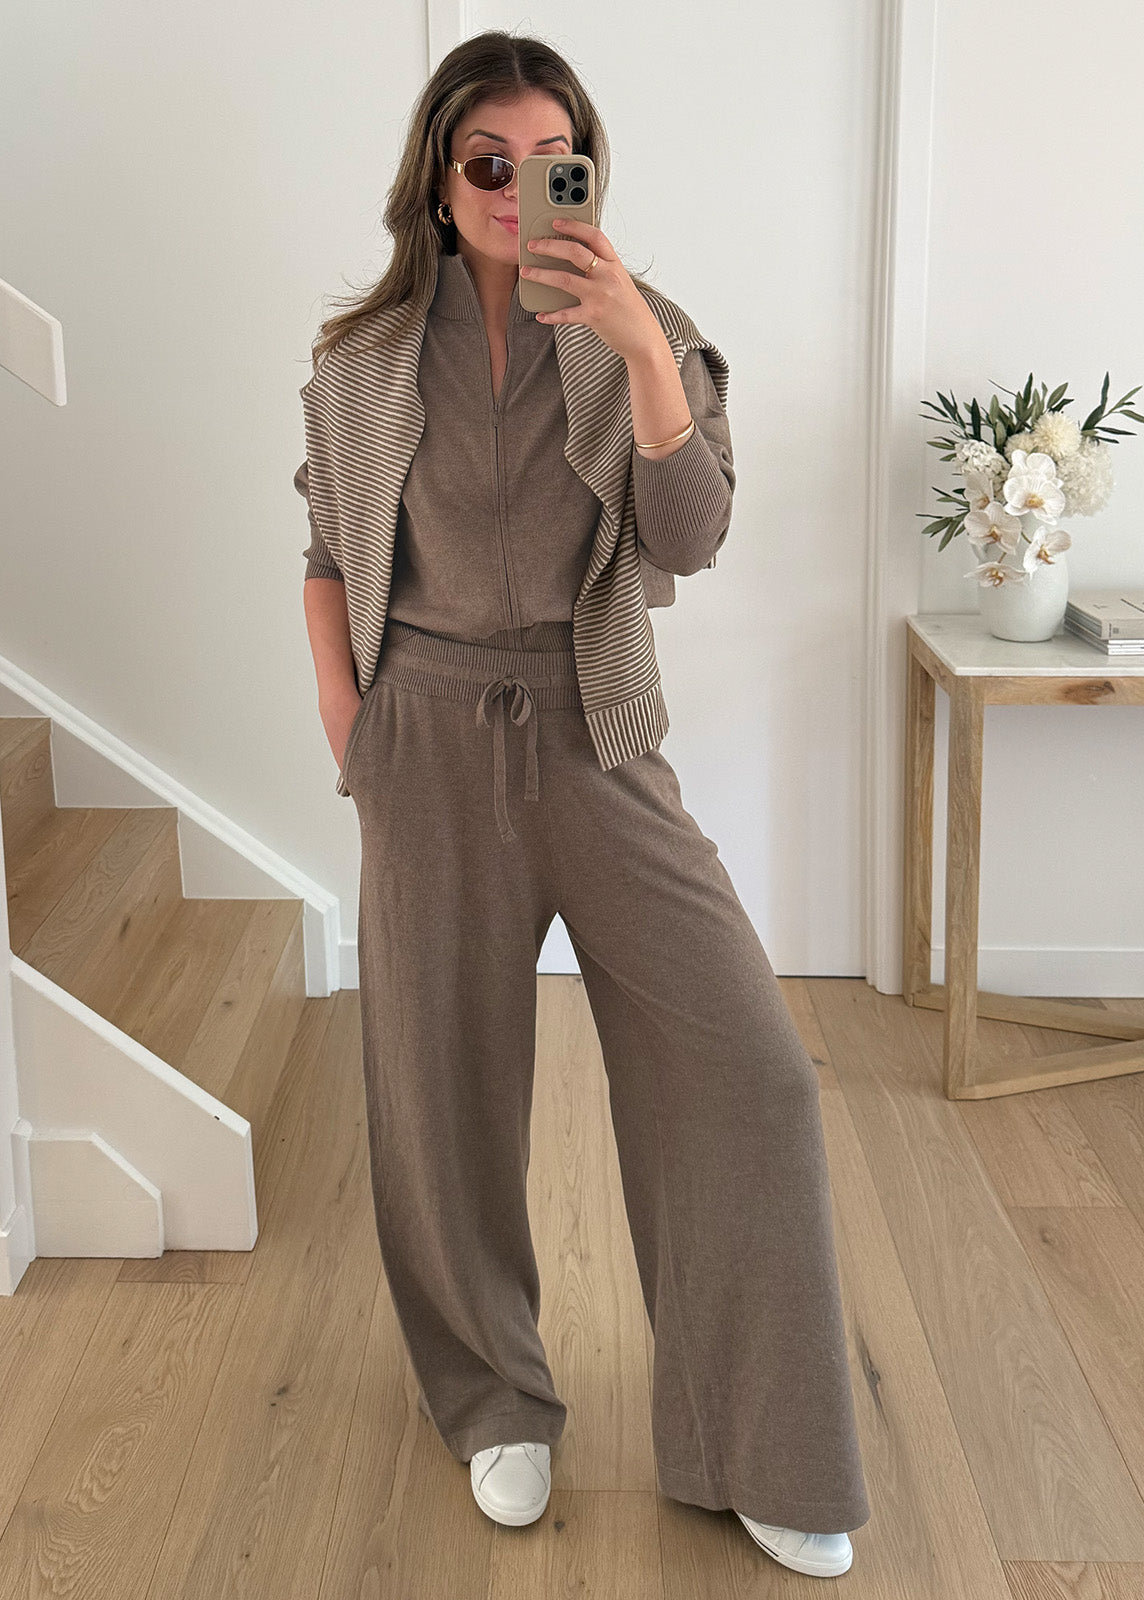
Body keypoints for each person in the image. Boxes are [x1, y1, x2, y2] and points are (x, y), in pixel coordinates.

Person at [297, 29, 870, 1581]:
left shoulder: (652, 331)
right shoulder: (356, 359)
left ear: (587, 175)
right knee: (440, 1088)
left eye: (551, 163)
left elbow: (688, 541)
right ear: (437, 173)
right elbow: (329, 546)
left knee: (748, 1071)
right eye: (486, 162)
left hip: (592, 728)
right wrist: (352, 729)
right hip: (418, 731)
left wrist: (636, 351)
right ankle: (495, 1400)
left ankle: (763, 1441)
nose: (514, 190)